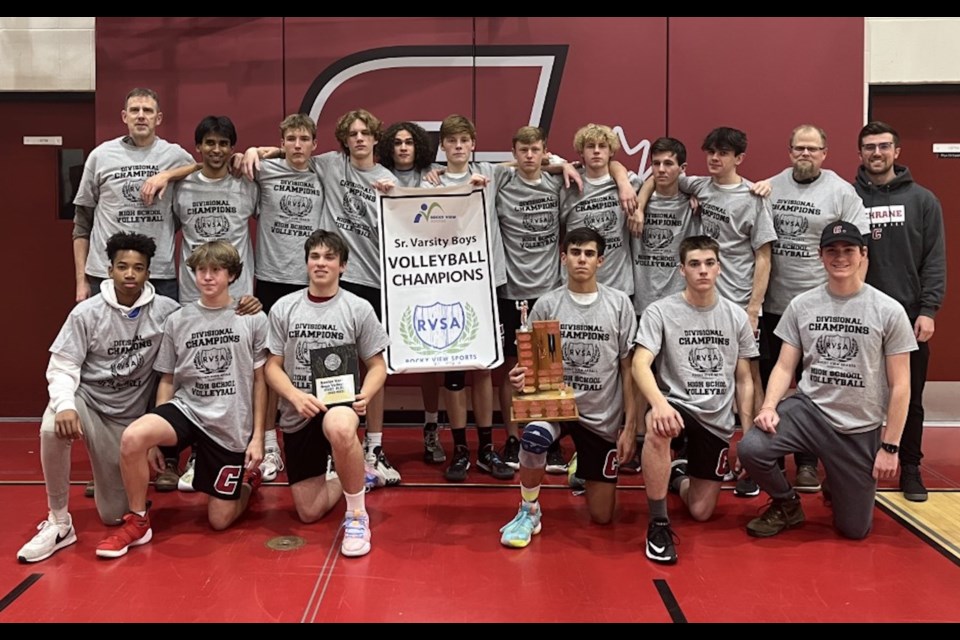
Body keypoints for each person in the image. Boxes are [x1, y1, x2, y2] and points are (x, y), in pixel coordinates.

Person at [244, 110, 401, 486]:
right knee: (288, 357)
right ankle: (275, 445)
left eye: (366, 132)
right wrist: (255, 150)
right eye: (353, 133)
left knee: (372, 362)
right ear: (343, 140)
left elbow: (425, 209)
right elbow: (293, 151)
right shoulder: (330, 164)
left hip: (372, 280)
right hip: (319, 277)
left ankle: (372, 447)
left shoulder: (390, 180)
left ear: (376, 138)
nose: (360, 138)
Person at [738, 221, 916, 540]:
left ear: (863, 254)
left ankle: (837, 481)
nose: (840, 257)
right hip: (810, 412)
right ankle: (786, 503)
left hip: (858, 427)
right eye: (832, 251)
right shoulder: (802, 305)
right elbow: (783, 366)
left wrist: (890, 446)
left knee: (854, 530)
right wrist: (768, 407)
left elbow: (902, 385)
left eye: (849, 250)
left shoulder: (888, 310)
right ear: (820, 256)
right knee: (751, 447)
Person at [95, 241, 269, 559]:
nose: (207, 277)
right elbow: (167, 378)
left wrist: (259, 437)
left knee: (219, 520)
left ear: (231, 275)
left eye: (216, 270)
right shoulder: (178, 319)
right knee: (134, 436)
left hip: (228, 422)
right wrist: (157, 442)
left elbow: (260, 381)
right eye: (201, 270)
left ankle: (247, 482)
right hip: (188, 408)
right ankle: (137, 521)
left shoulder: (252, 317)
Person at [16, 232, 181, 563]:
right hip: (87, 403)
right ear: (109, 270)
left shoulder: (167, 311)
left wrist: (242, 306)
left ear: (149, 272)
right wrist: (64, 405)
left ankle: (104, 473)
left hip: (126, 420)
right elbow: (62, 365)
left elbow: (204, 323)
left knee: (114, 514)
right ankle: (59, 521)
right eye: (122, 266)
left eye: (138, 267)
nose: (130, 274)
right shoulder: (86, 313)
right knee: (51, 427)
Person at [635, 126, 775, 498]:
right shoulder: (698, 185)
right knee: (691, 372)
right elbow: (656, 177)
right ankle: (679, 455)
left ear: (739, 159)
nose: (715, 159)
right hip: (698, 301)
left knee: (749, 375)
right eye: (710, 152)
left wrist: (754, 307)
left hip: (738, 304)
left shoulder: (753, 196)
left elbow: (764, 255)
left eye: (723, 153)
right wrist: (641, 201)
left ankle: (751, 453)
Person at [499, 227, 637, 548]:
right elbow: (533, 367)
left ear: (601, 261)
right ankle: (529, 509)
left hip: (601, 415)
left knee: (602, 516)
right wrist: (521, 378)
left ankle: (581, 465)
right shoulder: (548, 305)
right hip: (557, 407)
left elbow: (629, 368)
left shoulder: (618, 305)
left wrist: (630, 426)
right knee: (534, 437)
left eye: (589, 254)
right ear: (563, 257)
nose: (581, 260)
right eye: (575, 253)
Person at [264, 230, 390, 557]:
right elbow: (271, 367)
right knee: (308, 512)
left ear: (343, 266)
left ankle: (357, 515)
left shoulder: (358, 308)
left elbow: (378, 365)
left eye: (329, 257)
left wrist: (365, 393)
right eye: (315, 257)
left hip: (339, 403)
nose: (321, 263)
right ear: (306, 263)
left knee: (339, 426)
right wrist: (293, 396)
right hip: (299, 409)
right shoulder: (283, 307)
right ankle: (359, 473)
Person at [632, 235, 757, 564]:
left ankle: (678, 476)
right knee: (656, 425)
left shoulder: (736, 316)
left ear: (719, 268)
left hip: (715, 419)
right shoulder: (660, 311)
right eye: (694, 264)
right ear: (682, 270)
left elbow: (744, 379)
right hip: (677, 406)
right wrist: (659, 403)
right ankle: (658, 523)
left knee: (701, 511)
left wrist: (747, 436)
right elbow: (639, 363)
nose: (702, 270)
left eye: (709, 263)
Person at [761, 124, 869, 493]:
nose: (805, 154)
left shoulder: (842, 192)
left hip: (820, 309)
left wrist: (853, 301)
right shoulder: (770, 187)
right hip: (776, 305)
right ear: (789, 151)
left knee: (812, 388)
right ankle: (769, 457)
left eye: (812, 148)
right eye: (798, 148)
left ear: (825, 153)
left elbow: (859, 248)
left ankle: (807, 462)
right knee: (771, 383)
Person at [854, 121, 946, 503]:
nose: (877, 153)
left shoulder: (923, 201)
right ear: (860, 153)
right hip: (856, 318)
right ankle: (855, 468)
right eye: (869, 147)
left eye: (884, 146)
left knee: (910, 397)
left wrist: (928, 309)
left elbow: (934, 260)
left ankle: (909, 467)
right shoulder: (847, 196)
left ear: (897, 151)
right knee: (855, 398)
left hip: (907, 317)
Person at [73, 88, 194, 304]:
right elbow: (82, 223)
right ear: (124, 116)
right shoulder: (100, 156)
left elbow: (205, 168)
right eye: (134, 110)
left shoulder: (174, 155)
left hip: (158, 273)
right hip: (105, 273)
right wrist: (81, 281)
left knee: (161, 337)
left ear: (158, 119)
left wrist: (167, 175)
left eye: (147, 110)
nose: (140, 115)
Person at [624, 136, 698, 473]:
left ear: (683, 168)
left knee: (676, 376)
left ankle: (679, 443)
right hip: (641, 300)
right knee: (641, 375)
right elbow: (615, 168)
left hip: (678, 305)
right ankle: (639, 440)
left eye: (670, 163)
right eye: (656, 163)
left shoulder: (692, 197)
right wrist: (639, 204)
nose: (662, 169)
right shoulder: (638, 187)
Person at [377, 121, 448, 465]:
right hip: (380, 276)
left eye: (409, 142)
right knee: (375, 360)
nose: (403, 148)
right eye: (397, 143)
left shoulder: (434, 173)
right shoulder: (374, 173)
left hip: (423, 279)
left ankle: (432, 427)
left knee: (429, 358)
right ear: (388, 146)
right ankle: (372, 439)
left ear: (418, 146)